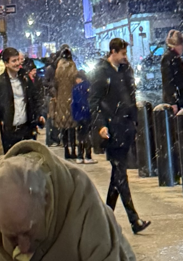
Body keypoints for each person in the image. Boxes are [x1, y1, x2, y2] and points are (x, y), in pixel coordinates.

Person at [0, 141, 136, 261]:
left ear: (46, 200)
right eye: (12, 236)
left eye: (28, 231)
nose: (24, 247)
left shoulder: (81, 197)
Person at [90, 40, 149, 236]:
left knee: (117, 176)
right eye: (122, 53)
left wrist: (134, 121)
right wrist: (100, 125)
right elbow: (94, 102)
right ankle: (134, 220)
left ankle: (104, 218)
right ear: (112, 52)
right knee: (120, 174)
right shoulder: (102, 73)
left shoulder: (125, 71)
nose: (125, 56)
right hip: (112, 130)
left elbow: (130, 98)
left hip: (125, 128)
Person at [0, 48, 44, 152]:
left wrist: (38, 115)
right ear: (6, 63)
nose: (17, 64)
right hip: (9, 131)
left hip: (26, 128)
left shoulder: (25, 79)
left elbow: (34, 98)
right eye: (13, 61)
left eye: (18, 60)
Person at [51, 49, 78, 159]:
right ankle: (73, 150)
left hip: (61, 99)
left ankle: (66, 149)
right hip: (72, 99)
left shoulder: (59, 67)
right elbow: (75, 81)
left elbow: (56, 83)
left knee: (64, 127)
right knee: (72, 127)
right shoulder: (72, 66)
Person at [160, 32, 183, 112]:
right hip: (179, 100)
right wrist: (173, 102)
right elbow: (168, 82)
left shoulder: (174, 58)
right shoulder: (169, 58)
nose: (182, 47)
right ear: (175, 45)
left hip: (182, 99)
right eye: (180, 44)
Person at [70, 71, 92, 163]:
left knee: (79, 136)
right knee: (87, 135)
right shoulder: (89, 87)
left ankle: (80, 156)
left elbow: (74, 103)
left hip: (79, 115)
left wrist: (74, 115)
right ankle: (88, 156)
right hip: (87, 114)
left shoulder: (76, 88)